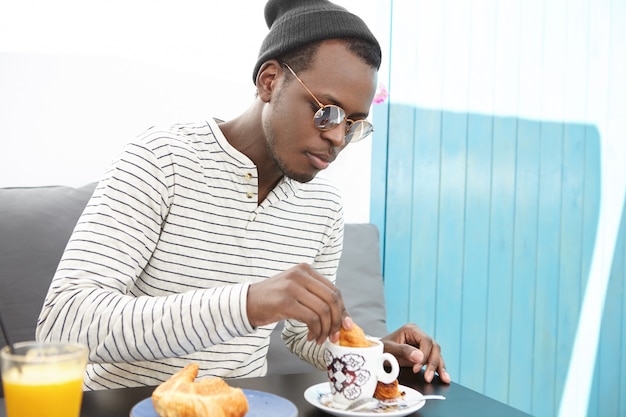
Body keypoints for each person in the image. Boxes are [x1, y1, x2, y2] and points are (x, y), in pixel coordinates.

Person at [36, 0, 450, 390]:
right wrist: (249, 303)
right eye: (327, 111)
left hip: (244, 407)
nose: (337, 138)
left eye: (354, 124)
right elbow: (63, 322)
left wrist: (372, 350)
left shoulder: (323, 207)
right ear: (269, 81)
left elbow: (303, 337)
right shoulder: (163, 158)